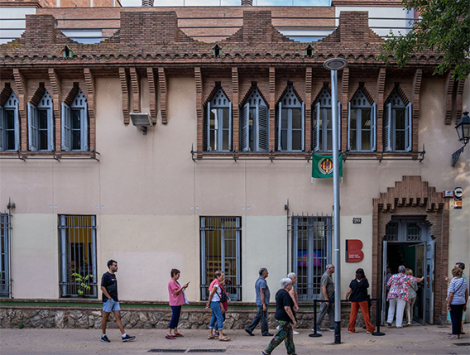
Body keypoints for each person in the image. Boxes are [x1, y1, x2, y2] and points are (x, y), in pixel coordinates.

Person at [100, 260, 135, 343]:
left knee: (118, 317)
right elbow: (102, 287)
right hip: (108, 300)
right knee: (105, 317)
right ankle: (103, 335)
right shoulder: (106, 275)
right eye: (115, 265)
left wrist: (114, 298)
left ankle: (124, 335)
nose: (116, 267)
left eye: (116, 265)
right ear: (110, 266)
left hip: (115, 300)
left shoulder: (114, 275)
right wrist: (108, 297)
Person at [261, 278, 297, 355]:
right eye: (291, 284)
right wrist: (293, 320)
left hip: (281, 316)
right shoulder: (285, 294)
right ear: (287, 285)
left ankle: (291, 352)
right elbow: (287, 308)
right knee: (279, 336)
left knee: (289, 337)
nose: (292, 285)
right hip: (284, 318)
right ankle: (266, 351)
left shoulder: (279, 292)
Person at [345, 268, 375, 334]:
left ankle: (351, 328)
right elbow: (368, 286)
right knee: (365, 314)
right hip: (363, 299)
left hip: (354, 299)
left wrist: (346, 297)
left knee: (353, 314)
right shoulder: (364, 281)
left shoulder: (353, 282)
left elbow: (349, 291)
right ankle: (369, 329)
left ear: (356, 274)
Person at [245, 268, 272, 336]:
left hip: (260, 302)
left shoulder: (259, 280)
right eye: (267, 272)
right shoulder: (262, 282)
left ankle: (249, 328)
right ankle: (264, 332)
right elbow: (261, 293)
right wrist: (264, 304)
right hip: (262, 302)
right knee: (263, 318)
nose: (268, 273)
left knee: (259, 316)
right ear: (263, 273)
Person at [206, 271, 230, 341]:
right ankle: (221, 335)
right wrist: (208, 303)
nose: (223, 278)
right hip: (215, 302)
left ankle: (210, 334)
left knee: (213, 317)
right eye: (222, 276)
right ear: (218, 277)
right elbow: (211, 294)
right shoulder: (216, 284)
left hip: (213, 302)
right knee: (220, 317)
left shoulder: (214, 282)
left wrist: (209, 303)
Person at [166, 268, 189, 339]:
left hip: (178, 302)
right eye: (178, 275)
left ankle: (175, 331)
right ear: (174, 274)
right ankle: (169, 332)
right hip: (174, 302)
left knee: (177, 317)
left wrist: (183, 288)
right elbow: (175, 292)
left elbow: (179, 291)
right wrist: (182, 287)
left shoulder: (176, 282)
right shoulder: (171, 282)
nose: (179, 276)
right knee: (174, 317)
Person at [447, 266, 468, 339]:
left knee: (454, 318)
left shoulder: (453, 281)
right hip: (462, 301)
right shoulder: (464, 281)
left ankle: (454, 333)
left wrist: (448, 304)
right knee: (459, 317)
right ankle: (458, 333)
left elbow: (451, 294)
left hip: (454, 302)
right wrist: (465, 303)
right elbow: (466, 292)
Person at [313, 264, 335, 333]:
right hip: (326, 298)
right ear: (329, 269)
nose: (334, 269)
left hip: (329, 298)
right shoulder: (325, 276)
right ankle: (315, 326)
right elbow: (323, 287)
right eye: (333, 267)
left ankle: (333, 326)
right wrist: (325, 298)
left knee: (331, 312)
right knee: (322, 311)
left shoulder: (329, 276)